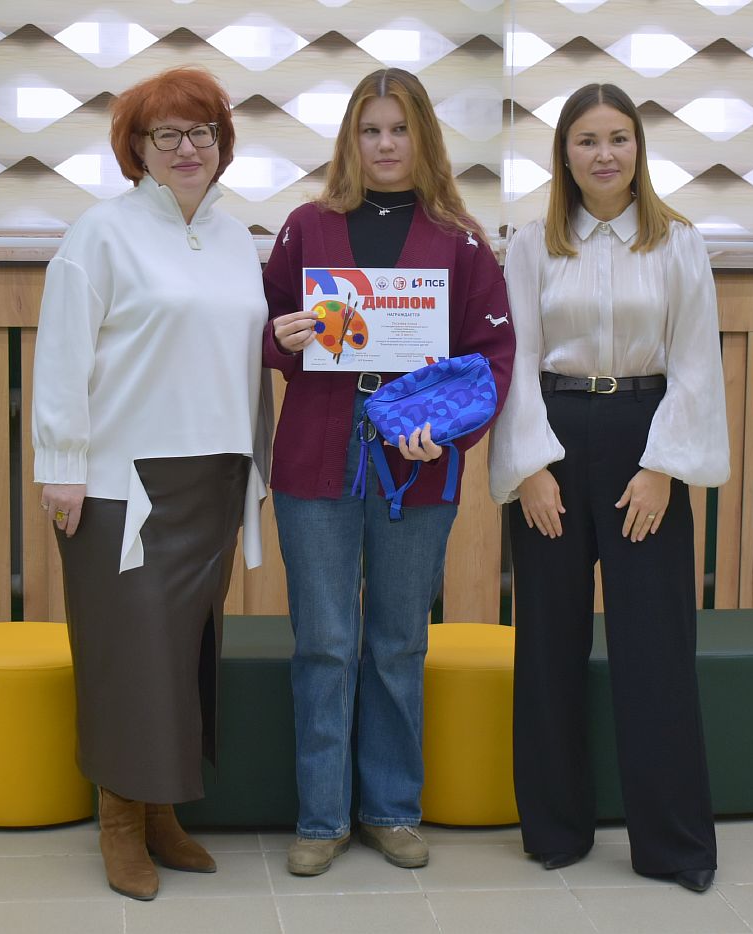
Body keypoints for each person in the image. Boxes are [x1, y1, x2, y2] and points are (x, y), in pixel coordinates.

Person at [263, 67, 515, 877]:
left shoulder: (461, 241)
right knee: (326, 642)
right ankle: (321, 817)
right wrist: (284, 339)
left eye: (399, 129)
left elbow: (493, 358)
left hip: (418, 464)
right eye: (370, 130)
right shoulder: (307, 228)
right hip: (317, 454)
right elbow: (263, 329)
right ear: (350, 139)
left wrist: (447, 431)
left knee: (399, 641)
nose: (384, 144)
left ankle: (391, 810)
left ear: (424, 138)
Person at [32, 66, 271, 901]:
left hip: (212, 481)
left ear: (222, 143)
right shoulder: (100, 234)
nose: (186, 148)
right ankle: (119, 822)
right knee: (126, 658)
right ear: (136, 147)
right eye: (165, 134)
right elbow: (62, 353)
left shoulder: (238, 239)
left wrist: (257, 462)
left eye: (201, 132)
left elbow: (244, 356)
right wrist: (62, 467)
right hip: (120, 487)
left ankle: (163, 811)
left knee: (182, 659)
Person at [488, 82, 729, 893]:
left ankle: (675, 846)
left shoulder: (677, 243)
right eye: (587, 140)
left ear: (638, 149)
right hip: (553, 439)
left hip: (644, 440)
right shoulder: (532, 244)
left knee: (656, 647)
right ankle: (556, 830)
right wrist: (529, 465)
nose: (604, 154)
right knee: (548, 642)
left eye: (618, 138)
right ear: (564, 153)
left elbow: (694, 362)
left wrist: (663, 468)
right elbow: (517, 358)